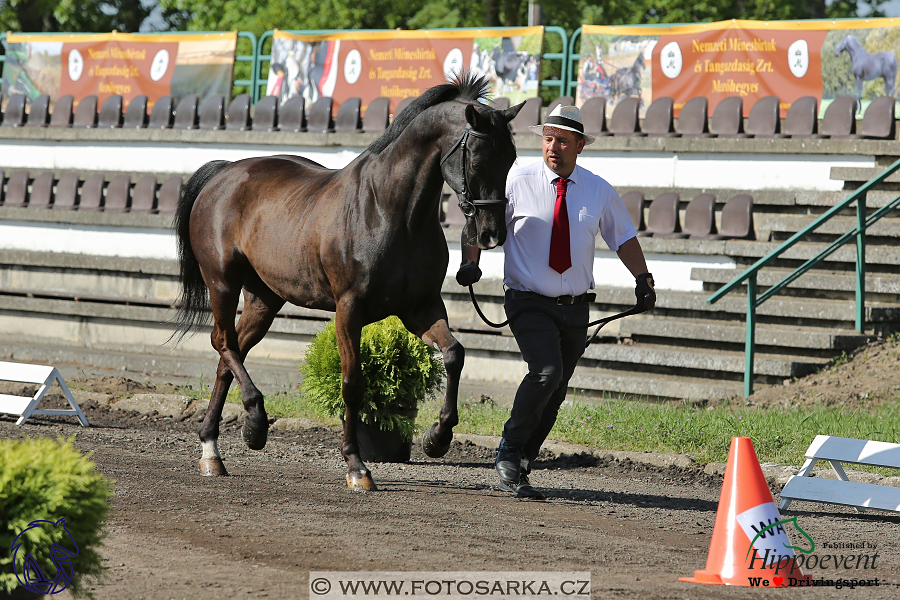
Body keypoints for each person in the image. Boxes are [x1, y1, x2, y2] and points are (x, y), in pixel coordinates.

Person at [456, 104, 656, 499]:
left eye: (563, 140)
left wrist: (643, 279)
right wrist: (471, 262)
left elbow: (623, 237)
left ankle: (524, 461)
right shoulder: (515, 179)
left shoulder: (598, 189)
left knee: (559, 386)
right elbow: (478, 220)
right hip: (527, 299)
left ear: (580, 145)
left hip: (576, 305)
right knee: (546, 372)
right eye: (548, 138)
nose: (553, 147)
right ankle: (509, 450)